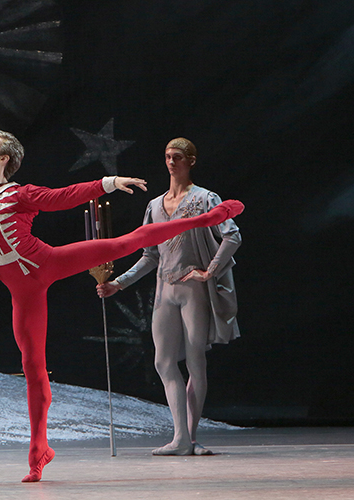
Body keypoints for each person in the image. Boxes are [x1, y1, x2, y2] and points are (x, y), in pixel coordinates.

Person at [0, 80, 244, 481]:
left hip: (44, 262)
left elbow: (63, 196)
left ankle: (207, 218)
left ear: (4, 157)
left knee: (122, 243)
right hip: (19, 286)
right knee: (32, 364)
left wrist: (108, 183)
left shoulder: (20, 194)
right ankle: (40, 450)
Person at [97, 138, 241, 456]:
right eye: (167, 156)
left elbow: (232, 235)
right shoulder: (155, 206)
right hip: (165, 288)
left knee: (194, 361)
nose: (171, 162)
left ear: (190, 160)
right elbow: (150, 255)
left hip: (193, 290)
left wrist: (210, 271)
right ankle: (181, 439)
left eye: (177, 157)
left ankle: (189, 437)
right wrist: (118, 283)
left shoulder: (205, 199)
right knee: (163, 362)